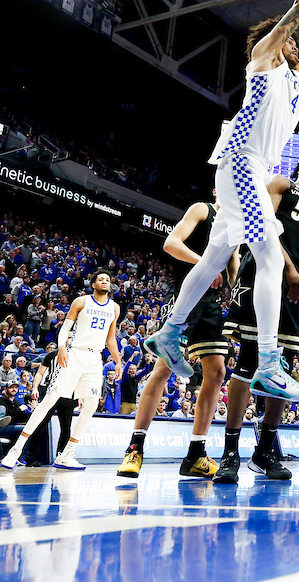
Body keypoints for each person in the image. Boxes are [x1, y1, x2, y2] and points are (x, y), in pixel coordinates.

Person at [145, 0, 299, 403]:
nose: (297, 44)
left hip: (252, 167)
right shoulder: (263, 59)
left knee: (213, 258)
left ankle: (168, 333)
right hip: (242, 161)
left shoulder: (298, 77)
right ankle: (268, 364)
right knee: (270, 258)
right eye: (291, 40)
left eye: (297, 42)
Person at [215, 159, 299, 483]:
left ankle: (264, 452)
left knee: (283, 369)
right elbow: (264, 226)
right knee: (248, 361)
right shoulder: (282, 184)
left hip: (292, 283)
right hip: (263, 269)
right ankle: (230, 453)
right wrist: (287, 267)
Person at [118, 198, 239, 481]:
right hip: (186, 291)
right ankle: (134, 449)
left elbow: (232, 266)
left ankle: (196, 454)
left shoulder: (236, 225)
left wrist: (237, 291)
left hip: (211, 302)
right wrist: (205, 266)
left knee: (217, 373)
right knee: (163, 369)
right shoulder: (203, 209)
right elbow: (171, 243)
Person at [0, 270, 123, 470]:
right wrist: (62, 347)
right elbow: (65, 328)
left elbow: (111, 338)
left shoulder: (114, 308)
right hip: (74, 353)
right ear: (93, 283)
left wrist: (118, 361)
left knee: (91, 404)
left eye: (107, 280)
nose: (104, 282)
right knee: (50, 400)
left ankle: (67, 454)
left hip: (94, 358)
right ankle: (16, 449)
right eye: (100, 279)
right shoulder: (81, 301)